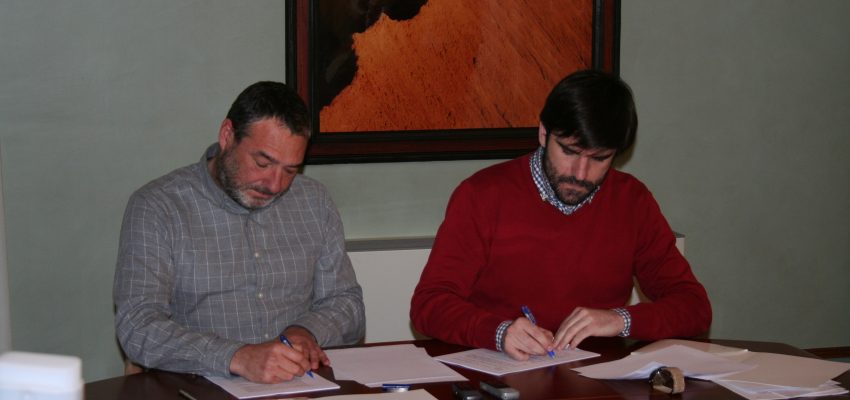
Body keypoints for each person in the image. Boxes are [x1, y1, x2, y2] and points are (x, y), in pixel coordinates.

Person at [410, 70, 711, 361]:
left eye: (599, 159)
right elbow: (430, 305)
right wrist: (499, 332)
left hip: (595, 380)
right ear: (544, 133)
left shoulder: (632, 201)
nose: (580, 174)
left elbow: (694, 307)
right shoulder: (482, 195)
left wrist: (621, 320)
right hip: (502, 376)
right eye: (568, 151)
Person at [114, 81, 365, 383]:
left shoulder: (314, 201)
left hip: (298, 385)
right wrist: (237, 357)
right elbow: (138, 326)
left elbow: (346, 303)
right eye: (263, 162)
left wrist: (306, 331)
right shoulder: (158, 207)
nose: (274, 185)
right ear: (227, 136)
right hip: (197, 385)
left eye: (290, 170)